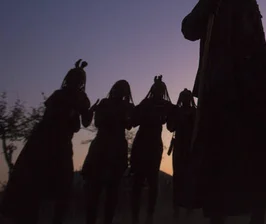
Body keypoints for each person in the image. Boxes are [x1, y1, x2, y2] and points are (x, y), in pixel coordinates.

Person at [181, 0, 266, 224]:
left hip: (252, 86)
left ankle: (257, 214)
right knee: (220, 151)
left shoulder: (251, 0)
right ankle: (217, 216)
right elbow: (188, 29)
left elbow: (250, 45)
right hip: (223, 86)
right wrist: (207, 8)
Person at [0, 60, 92, 224]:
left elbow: (83, 121)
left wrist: (86, 111)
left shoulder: (74, 97)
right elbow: (60, 119)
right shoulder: (62, 95)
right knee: (38, 185)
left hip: (51, 143)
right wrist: (73, 113)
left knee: (58, 187)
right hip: (46, 143)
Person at [82, 79, 135, 224]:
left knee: (112, 191)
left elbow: (129, 124)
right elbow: (99, 122)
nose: (118, 91)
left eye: (121, 89)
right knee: (95, 190)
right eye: (117, 88)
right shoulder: (105, 103)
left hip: (115, 148)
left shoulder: (127, 106)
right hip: (102, 148)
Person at [129, 75, 173, 224]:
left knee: (152, 180)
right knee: (139, 180)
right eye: (156, 88)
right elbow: (133, 121)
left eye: (160, 89)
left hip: (153, 144)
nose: (158, 91)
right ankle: (136, 216)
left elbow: (172, 121)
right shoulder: (147, 103)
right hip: (143, 143)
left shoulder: (164, 105)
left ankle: (149, 215)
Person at [166, 88, 196, 219]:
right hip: (179, 147)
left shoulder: (195, 112)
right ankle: (176, 209)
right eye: (183, 96)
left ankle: (188, 209)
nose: (185, 99)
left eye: (187, 96)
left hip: (191, 147)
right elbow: (170, 127)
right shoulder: (177, 111)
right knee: (178, 178)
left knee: (190, 178)